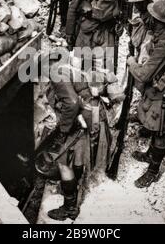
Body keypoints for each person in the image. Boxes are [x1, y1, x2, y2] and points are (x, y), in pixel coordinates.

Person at [35, 50, 124, 221]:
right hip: (94, 114)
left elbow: (72, 103)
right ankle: (72, 187)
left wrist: (63, 131)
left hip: (86, 119)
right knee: (74, 155)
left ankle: (69, 208)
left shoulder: (56, 75)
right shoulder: (67, 68)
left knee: (63, 162)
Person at [127, 0, 165, 188]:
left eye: (154, 20)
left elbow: (144, 74)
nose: (150, 21)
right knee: (153, 125)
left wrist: (131, 62)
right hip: (158, 89)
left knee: (160, 133)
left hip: (163, 95)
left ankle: (153, 172)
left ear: (161, 22)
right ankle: (150, 154)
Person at [66, 0, 129, 69]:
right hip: (87, 29)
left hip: (108, 30)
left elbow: (124, 6)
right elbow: (73, 8)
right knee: (79, 66)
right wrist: (70, 33)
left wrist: (122, 23)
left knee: (105, 68)